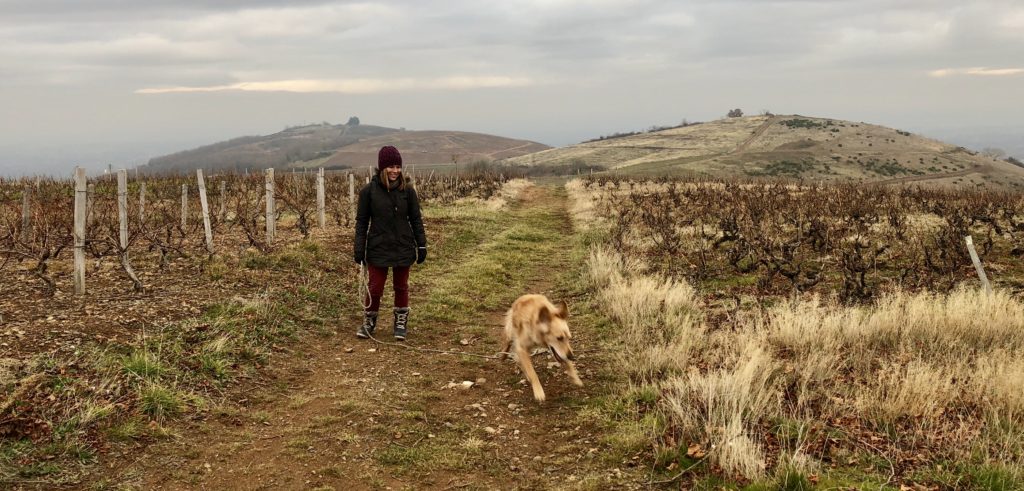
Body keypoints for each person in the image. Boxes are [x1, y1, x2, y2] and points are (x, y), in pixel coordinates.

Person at [354, 146, 427, 341]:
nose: (395, 170)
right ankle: (369, 321)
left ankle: (400, 322)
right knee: (375, 287)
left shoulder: (408, 192)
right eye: (390, 166)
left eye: (397, 166)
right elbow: (361, 222)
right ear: (381, 167)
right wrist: (359, 248)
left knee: (401, 286)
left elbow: (416, 220)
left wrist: (422, 245)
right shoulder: (368, 192)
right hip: (378, 246)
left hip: (403, 245)